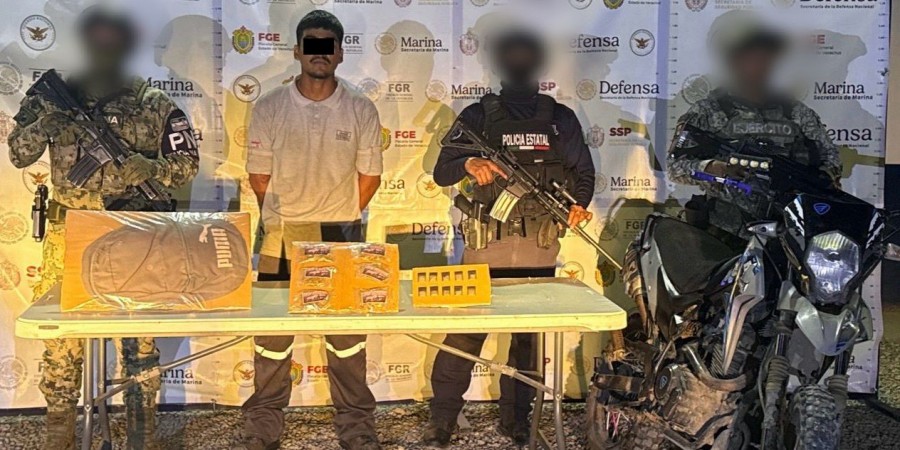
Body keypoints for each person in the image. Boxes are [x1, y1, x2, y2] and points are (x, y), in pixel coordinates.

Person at [7, 7, 199, 450]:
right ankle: (60, 434)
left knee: (138, 344)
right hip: (68, 237)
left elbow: (187, 163)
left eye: (113, 42)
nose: (104, 50)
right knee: (62, 342)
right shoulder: (53, 98)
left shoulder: (153, 102)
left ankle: (140, 435)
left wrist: (151, 167)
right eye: (97, 41)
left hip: (131, 237)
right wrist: (46, 124)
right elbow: (18, 153)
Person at [424, 29, 595, 447]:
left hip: (539, 246)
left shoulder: (560, 118)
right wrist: (470, 164)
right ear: (500, 63)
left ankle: (518, 421)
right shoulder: (478, 116)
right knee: (465, 335)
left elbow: (584, 174)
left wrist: (578, 205)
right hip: (487, 245)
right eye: (512, 56)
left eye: (526, 55)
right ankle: (442, 419)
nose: (519, 63)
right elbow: (442, 172)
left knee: (528, 341)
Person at [236, 10, 383, 450]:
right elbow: (259, 176)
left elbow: (370, 177)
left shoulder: (360, 107)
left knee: (346, 338)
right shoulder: (270, 106)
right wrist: (287, 218)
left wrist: (339, 216)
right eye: (312, 45)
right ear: (298, 51)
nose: (320, 54)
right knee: (273, 336)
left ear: (340, 53)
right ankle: (263, 426)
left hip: (342, 233)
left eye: (328, 45)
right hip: (281, 232)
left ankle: (356, 427)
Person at [668, 11, 842, 246]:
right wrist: (713, 169)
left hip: (786, 236)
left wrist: (818, 182)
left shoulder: (796, 113)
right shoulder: (708, 111)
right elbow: (675, 167)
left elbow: (830, 159)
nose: (761, 66)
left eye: (766, 60)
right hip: (724, 235)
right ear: (735, 63)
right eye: (753, 59)